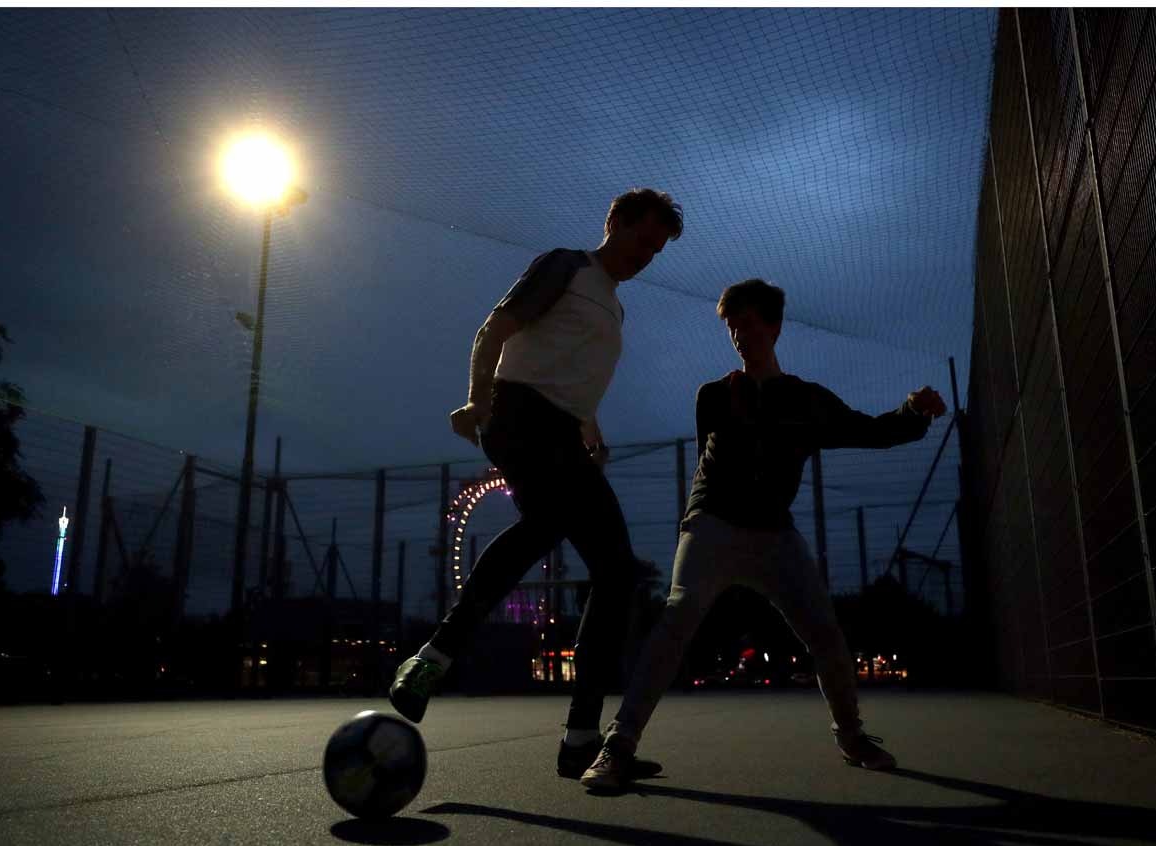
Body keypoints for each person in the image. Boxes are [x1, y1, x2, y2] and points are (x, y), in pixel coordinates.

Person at [580, 278, 946, 790]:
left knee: (825, 632)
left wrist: (913, 411)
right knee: (678, 616)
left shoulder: (807, 400)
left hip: (774, 533)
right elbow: (735, 453)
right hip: (712, 523)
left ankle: (852, 736)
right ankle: (617, 747)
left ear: (773, 326)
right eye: (733, 326)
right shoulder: (715, 395)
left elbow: (872, 431)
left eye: (748, 323)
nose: (739, 334)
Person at [388, 189, 683, 779]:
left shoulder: (615, 308)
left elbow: (572, 376)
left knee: (572, 545)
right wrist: (479, 400)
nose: (647, 254)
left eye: (657, 248)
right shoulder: (567, 265)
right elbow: (494, 329)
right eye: (642, 238)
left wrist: (591, 430)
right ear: (614, 224)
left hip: (562, 433)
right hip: (520, 415)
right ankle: (566, 732)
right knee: (600, 559)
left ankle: (446, 665)